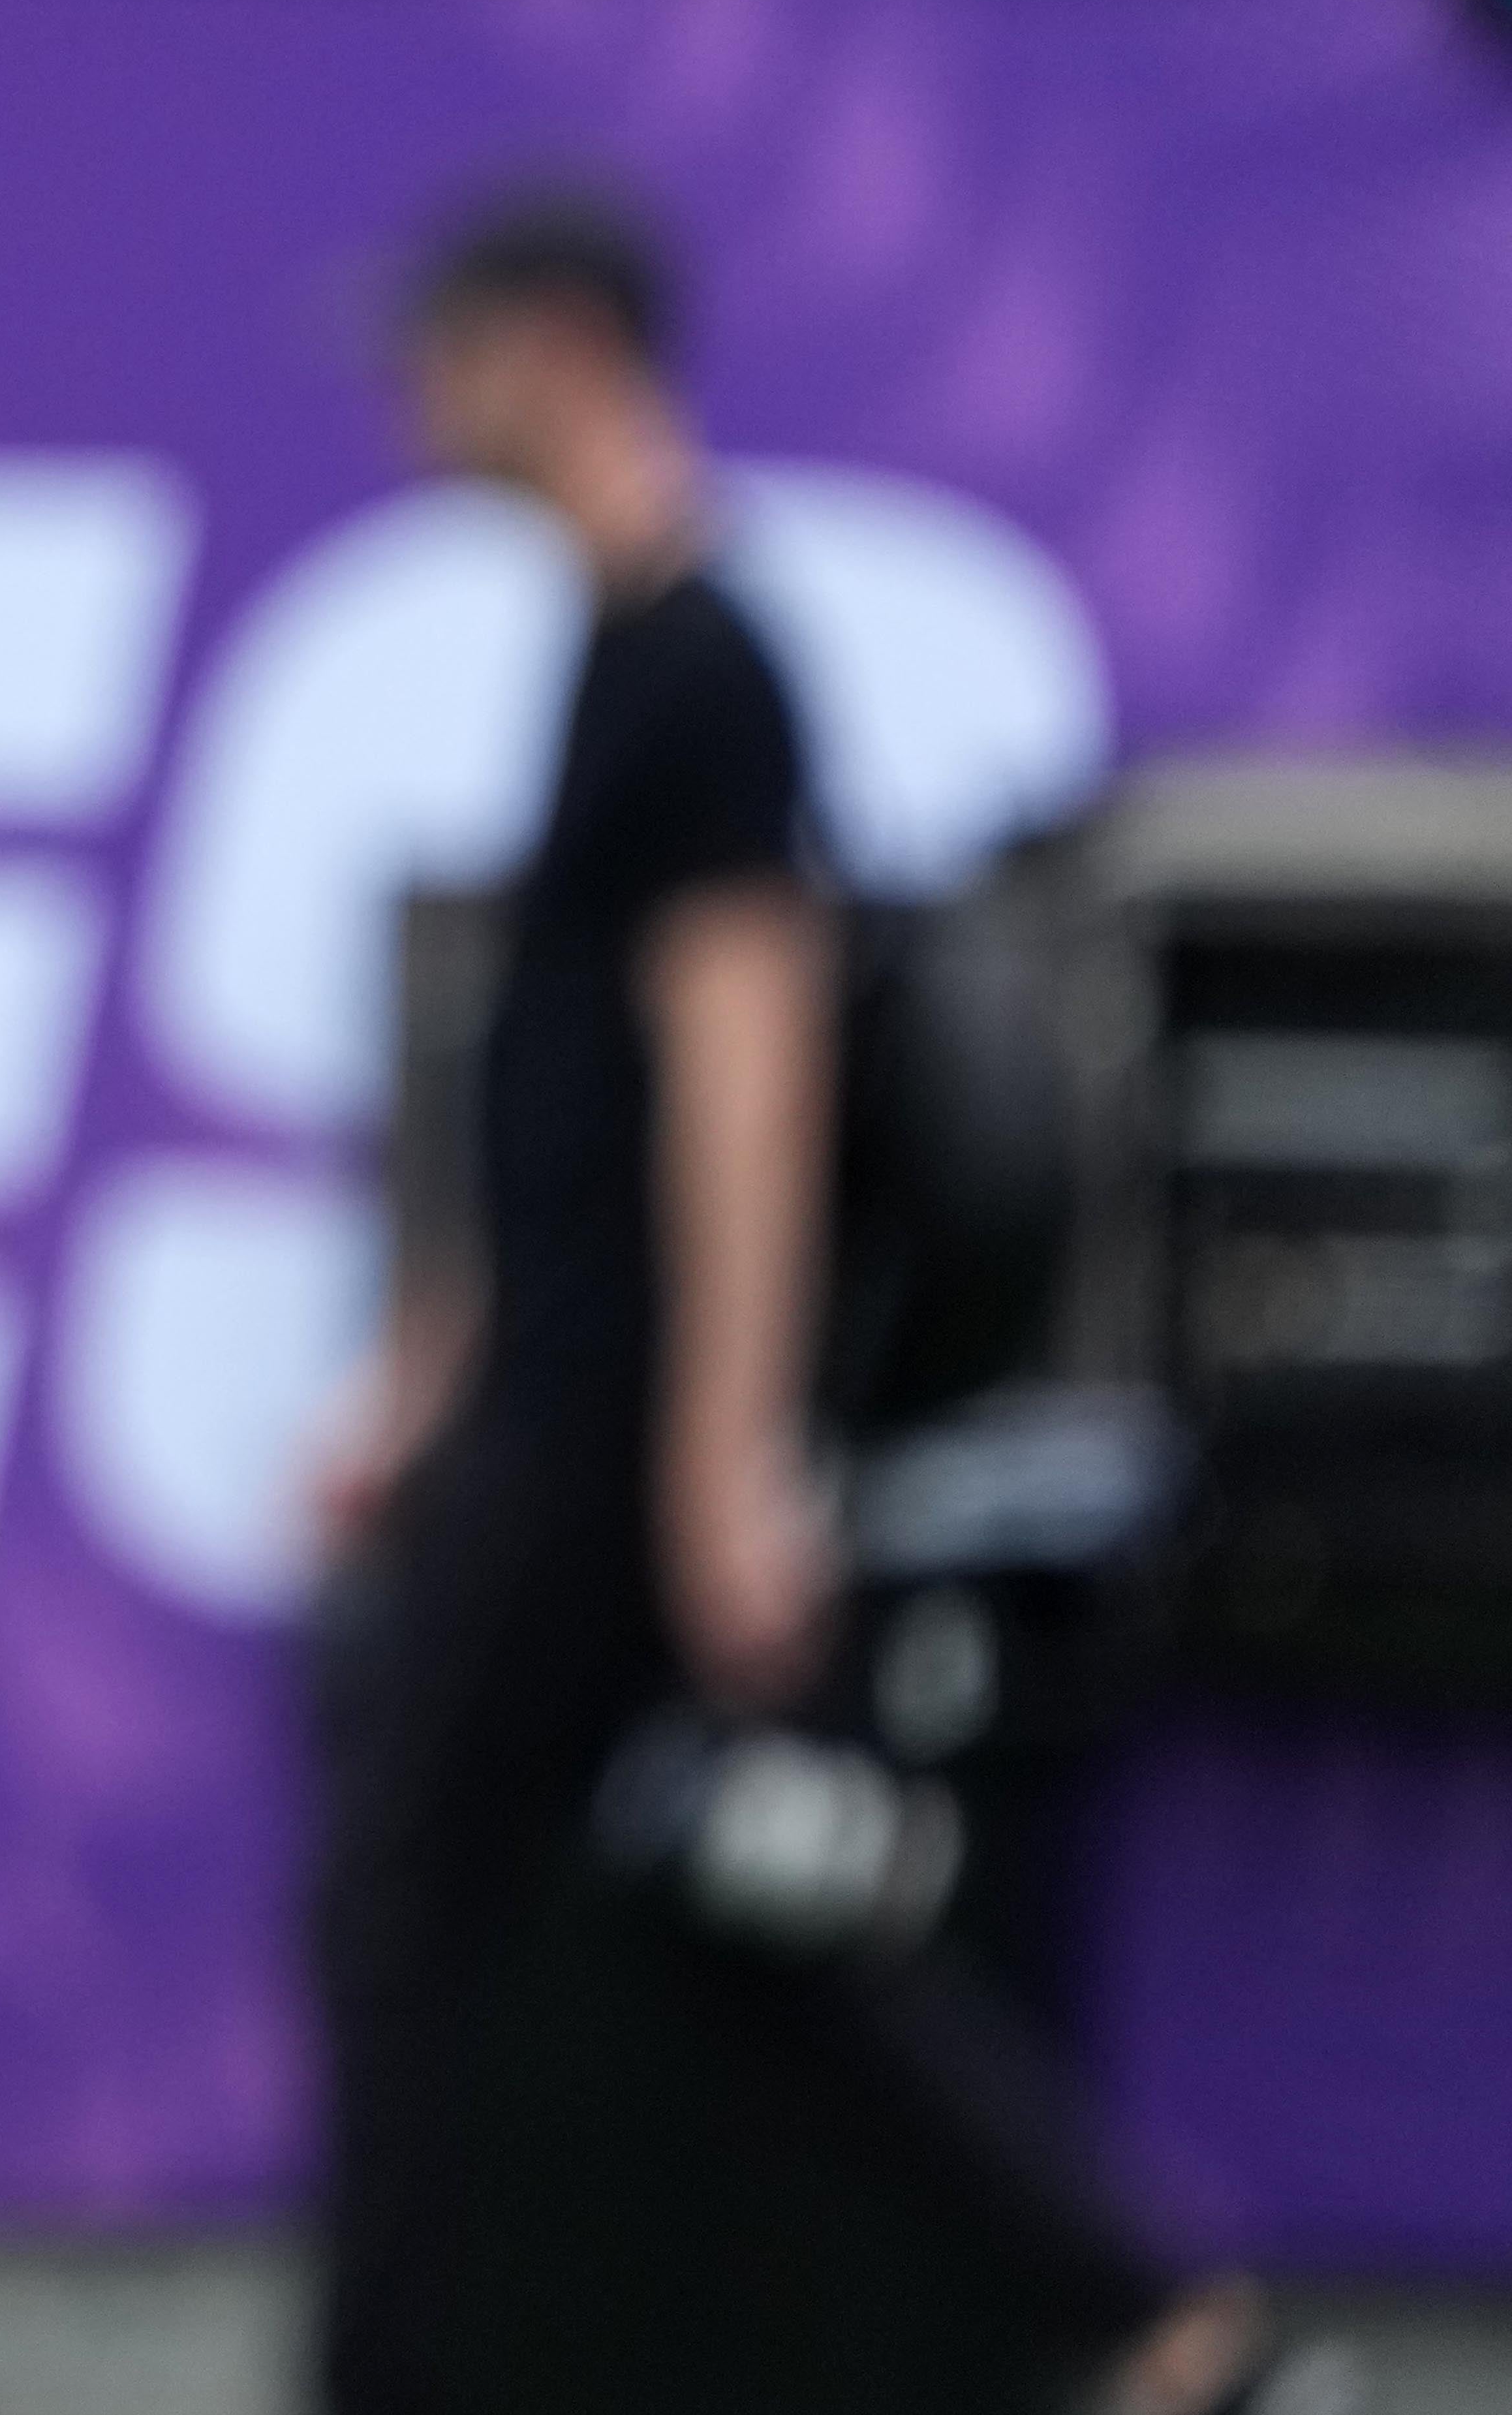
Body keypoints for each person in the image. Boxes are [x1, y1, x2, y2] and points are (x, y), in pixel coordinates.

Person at [306, 189, 1299, 2415]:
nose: (408, 392)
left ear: (551, 344)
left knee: (410, 1899)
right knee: (736, 1908)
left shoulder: (702, 660)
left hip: (611, 1431)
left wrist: (723, 1458)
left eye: (440, 341)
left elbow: (735, 1081)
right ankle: (1149, 2312)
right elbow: (558, 1074)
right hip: (558, 1400)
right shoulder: (612, 644)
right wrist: (422, 1358)